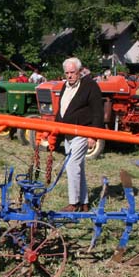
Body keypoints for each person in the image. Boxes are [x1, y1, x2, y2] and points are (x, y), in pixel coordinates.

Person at [53, 57, 104, 212]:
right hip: (68, 133)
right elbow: (62, 109)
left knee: (72, 165)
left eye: (72, 72)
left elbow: (98, 112)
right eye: (67, 73)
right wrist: (55, 130)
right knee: (78, 166)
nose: (69, 76)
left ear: (80, 72)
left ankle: (73, 203)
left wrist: (93, 135)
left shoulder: (90, 86)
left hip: (83, 132)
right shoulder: (65, 86)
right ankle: (84, 202)